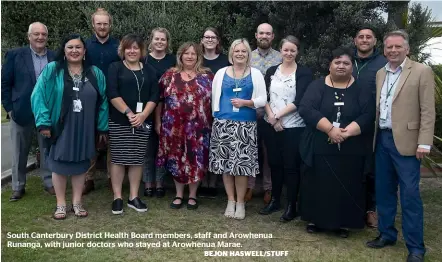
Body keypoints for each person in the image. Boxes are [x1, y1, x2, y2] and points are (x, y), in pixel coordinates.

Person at [366, 30, 435, 262]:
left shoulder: (422, 71)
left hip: (408, 142)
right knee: (384, 192)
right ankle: (386, 234)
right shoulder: (379, 73)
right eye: (389, 47)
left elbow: (427, 110)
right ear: (384, 50)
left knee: (409, 195)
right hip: (383, 139)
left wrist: (424, 142)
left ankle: (416, 248)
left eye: (397, 47)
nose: (393, 51)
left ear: (407, 48)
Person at [298, 47, 375, 238]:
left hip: (351, 147)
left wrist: (346, 133)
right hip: (320, 145)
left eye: (346, 63)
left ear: (352, 67)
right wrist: (330, 130)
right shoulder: (317, 85)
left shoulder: (361, 88)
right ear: (330, 65)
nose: (341, 66)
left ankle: (344, 222)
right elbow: (307, 108)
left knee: (347, 184)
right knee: (318, 183)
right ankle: (316, 219)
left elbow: (368, 114)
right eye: (337, 62)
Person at [31, 34, 109, 219]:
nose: (74, 50)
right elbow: (38, 95)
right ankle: (60, 204)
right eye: (70, 47)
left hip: (85, 127)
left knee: (81, 164)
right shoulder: (53, 70)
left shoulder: (95, 73)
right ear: (64, 51)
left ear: (84, 51)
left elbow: (104, 100)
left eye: (78, 47)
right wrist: (43, 122)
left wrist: (102, 127)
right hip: (60, 126)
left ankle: (77, 202)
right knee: (58, 164)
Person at [209, 39, 267, 220]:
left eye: (243, 51)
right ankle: (230, 200)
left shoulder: (255, 73)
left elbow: (263, 99)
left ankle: (241, 203)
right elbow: (213, 98)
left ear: (248, 54)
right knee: (226, 166)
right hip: (223, 123)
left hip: (246, 125)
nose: (240, 54)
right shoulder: (221, 73)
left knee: (241, 167)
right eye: (236, 51)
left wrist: (246, 103)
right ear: (231, 54)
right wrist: (216, 117)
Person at [259, 36, 313, 222]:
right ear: (280, 51)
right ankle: (275, 200)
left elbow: (300, 101)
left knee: (291, 166)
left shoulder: (304, 73)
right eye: (286, 50)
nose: (289, 53)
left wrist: (279, 116)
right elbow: (263, 96)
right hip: (271, 124)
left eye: (293, 50)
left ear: (297, 52)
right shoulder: (271, 71)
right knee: (274, 163)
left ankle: (292, 205)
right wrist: (273, 119)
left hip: (293, 126)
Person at [156, 42, 213, 210]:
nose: (189, 56)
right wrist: (158, 122)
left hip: (199, 128)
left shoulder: (207, 76)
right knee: (175, 159)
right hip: (173, 127)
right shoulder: (169, 75)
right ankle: (179, 194)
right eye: (186, 53)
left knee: (197, 159)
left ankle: (193, 195)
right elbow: (159, 99)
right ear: (180, 55)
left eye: (193, 54)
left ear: (198, 57)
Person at [1, 22, 55, 201]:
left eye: (43, 34)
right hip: (21, 111)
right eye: (36, 34)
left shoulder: (55, 57)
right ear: (29, 36)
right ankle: (18, 186)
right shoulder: (15, 55)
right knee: (19, 151)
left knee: (47, 149)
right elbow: (5, 84)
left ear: (47, 37)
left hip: (46, 112)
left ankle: (49, 182)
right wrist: (9, 108)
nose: (40, 37)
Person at [107, 34, 159, 215]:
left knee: (137, 159)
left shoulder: (150, 71)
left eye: (136, 48)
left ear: (142, 50)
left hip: (143, 122)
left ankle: (133, 197)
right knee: (119, 159)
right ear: (123, 50)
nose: (132, 51)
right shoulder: (115, 68)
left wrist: (143, 115)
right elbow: (112, 93)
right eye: (128, 47)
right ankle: (117, 197)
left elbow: (154, 96)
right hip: (120, 120)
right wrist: (129, 113)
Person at [352, 26, 387, 228]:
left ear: (375, 41)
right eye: (361, 37)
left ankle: (371, 209)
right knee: (352, 166)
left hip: (373, 125)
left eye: (369, 37)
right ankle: (353, 206)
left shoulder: (383, 64)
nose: (364, 40)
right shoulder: (346, 60)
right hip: (347, 122)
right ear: (355, 40)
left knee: (371, 168)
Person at [83, 7, 120, 195]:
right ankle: (88, 179)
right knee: (90, 138)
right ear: (93, 25)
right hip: (90, 97)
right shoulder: (85, 46)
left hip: (114, 98)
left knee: (112, 139)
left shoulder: (118, 46)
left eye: (105, 23)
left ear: (110, 24)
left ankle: (111, 177)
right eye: (99, 23)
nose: (102, 27)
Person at [248, 23, 282, 204]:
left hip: (272, 113)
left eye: (268, 33)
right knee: (250, 151)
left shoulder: (280, 57)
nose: (264, 36)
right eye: (261, 33)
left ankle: (268, 188)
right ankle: (250, 186)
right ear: (256, 35)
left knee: (269, 153)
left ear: (273, 36)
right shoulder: (247, 56)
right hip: (250, 111)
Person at [143, 27, 176, 198]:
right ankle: (148, 183)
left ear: (167, 42)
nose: (160, 42)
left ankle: (160, 183)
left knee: (163, 149)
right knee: (148, 149)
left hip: (167, 109)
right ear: (151, 40)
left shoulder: (173, 61)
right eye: (157, 39)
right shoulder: (144, 60)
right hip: (145, 109)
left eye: (163, 39)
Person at [199, 27, 230, 199]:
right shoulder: (196, 59)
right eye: (206, 37)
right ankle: (203, 181)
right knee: (202, 144)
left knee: (217, 144)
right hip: (199, 108)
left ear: (218, 41)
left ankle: (214, 182)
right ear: (202, 40)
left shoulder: (226, 61)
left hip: (220, 107)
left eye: (213, 37)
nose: (209, 40)